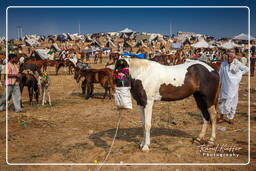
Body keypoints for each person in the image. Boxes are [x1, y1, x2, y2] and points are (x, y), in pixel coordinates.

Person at [218, 52, 249, 124]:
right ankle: (221, 117)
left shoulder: (237, 63)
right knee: (223, 101)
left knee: (233, 103)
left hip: (234, 87)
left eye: (230, 57)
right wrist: (219, 83)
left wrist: (239, 74)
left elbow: (247, 69)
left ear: (234, 57)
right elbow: (220, 73)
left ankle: (231, 118)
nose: (228, 58)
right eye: (227, 56)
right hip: (225, 86)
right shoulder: (223, 64)